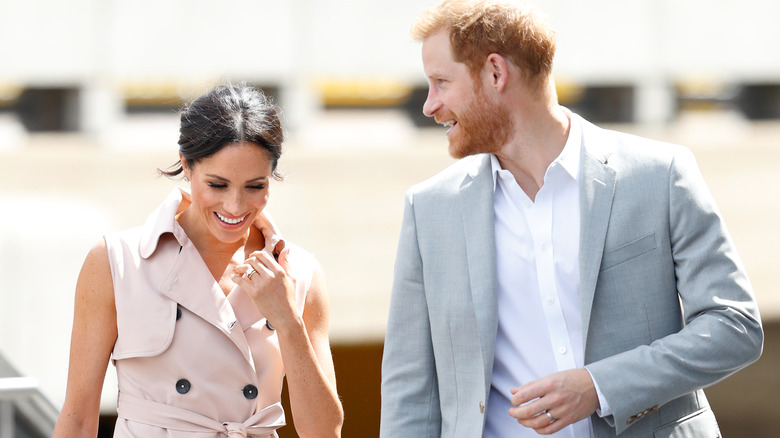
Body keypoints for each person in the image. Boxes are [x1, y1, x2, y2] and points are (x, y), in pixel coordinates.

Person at [380, 1, 763, 437]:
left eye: (441, 83)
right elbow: (409, 394)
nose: (430, 106)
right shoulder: (428, 210)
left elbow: (734, 326)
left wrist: (600, 388)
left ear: (495, 73)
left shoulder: (659, 175)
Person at [53, 84, 343, 438]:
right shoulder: (116, 262)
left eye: (254, 186)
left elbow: (325, 431)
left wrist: (286, 319)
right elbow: (79, 418)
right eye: (218, 185)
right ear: (187, 166)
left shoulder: (299, 273)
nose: (235, 207)